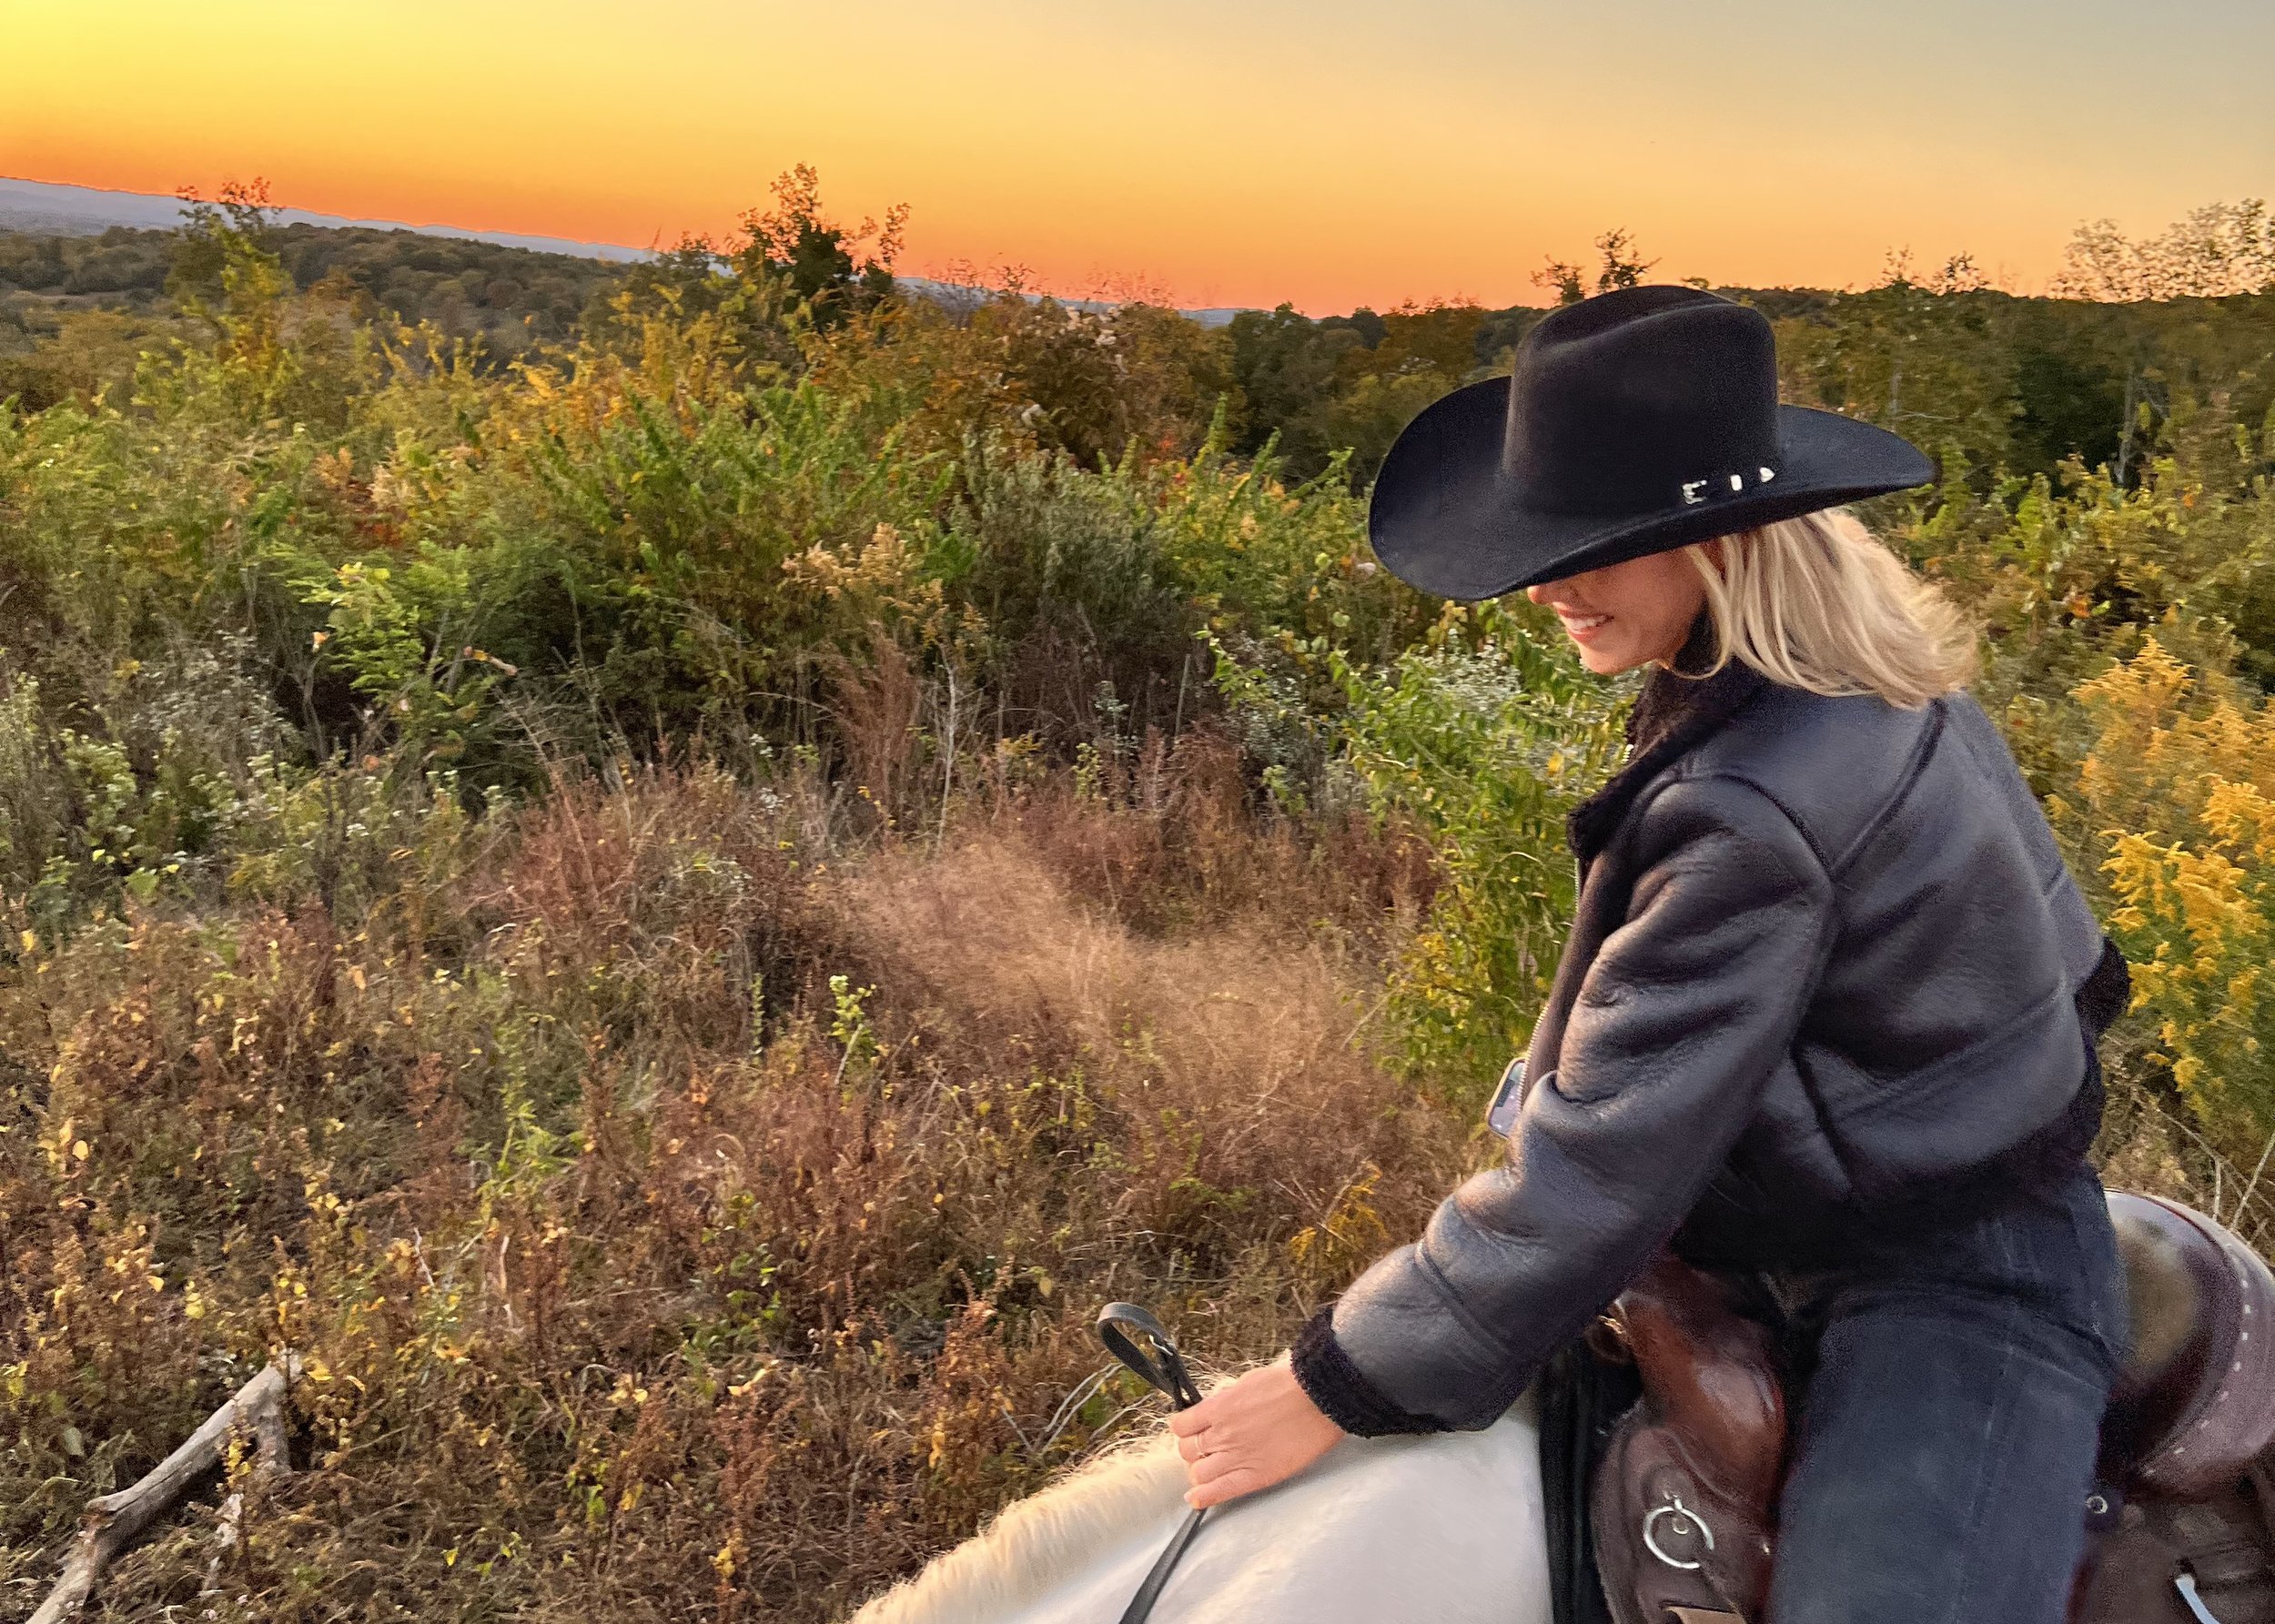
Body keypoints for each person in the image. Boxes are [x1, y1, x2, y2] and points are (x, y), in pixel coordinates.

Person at [1165, 286, 2131, 1622]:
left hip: (1957, 1279)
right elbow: (2080, 973)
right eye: (1548, 545)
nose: (1550, 585)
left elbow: (1604, 1167)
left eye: (1599, 548)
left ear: (1719, 538)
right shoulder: (1867, 675)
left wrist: (1329, 1380)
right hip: (1878, 1212)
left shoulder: (1753, 798)